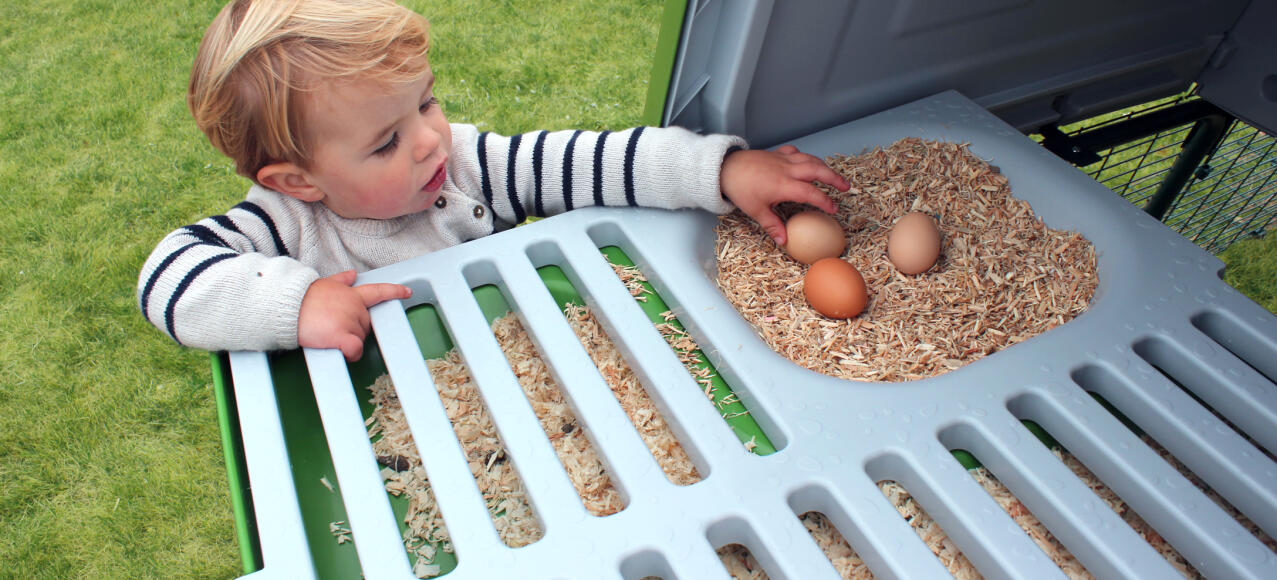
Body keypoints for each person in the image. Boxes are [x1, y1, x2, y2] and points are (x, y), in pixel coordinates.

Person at [138, 0, 848, 361]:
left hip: (532, 370)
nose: (428, 140)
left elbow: (598, 161)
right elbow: (166, 279)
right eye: (387, 141)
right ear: (299, 181)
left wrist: (717, 169)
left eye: (426, 102)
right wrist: (295, 305)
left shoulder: (470, 168)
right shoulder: (283, 228)